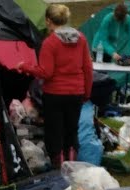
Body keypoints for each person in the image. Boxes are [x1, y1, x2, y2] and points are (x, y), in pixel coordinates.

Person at [16, 4, 93, 169]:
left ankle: (58, 167)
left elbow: (46, 72)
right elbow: (87, 68)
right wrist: (86, 92)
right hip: (76, 93)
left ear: (49, 21)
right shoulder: (81, 39)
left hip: (55, 94)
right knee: (71, 131)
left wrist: (25, 66)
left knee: (55, 132)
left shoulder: (50, 43)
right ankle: (72, 165)